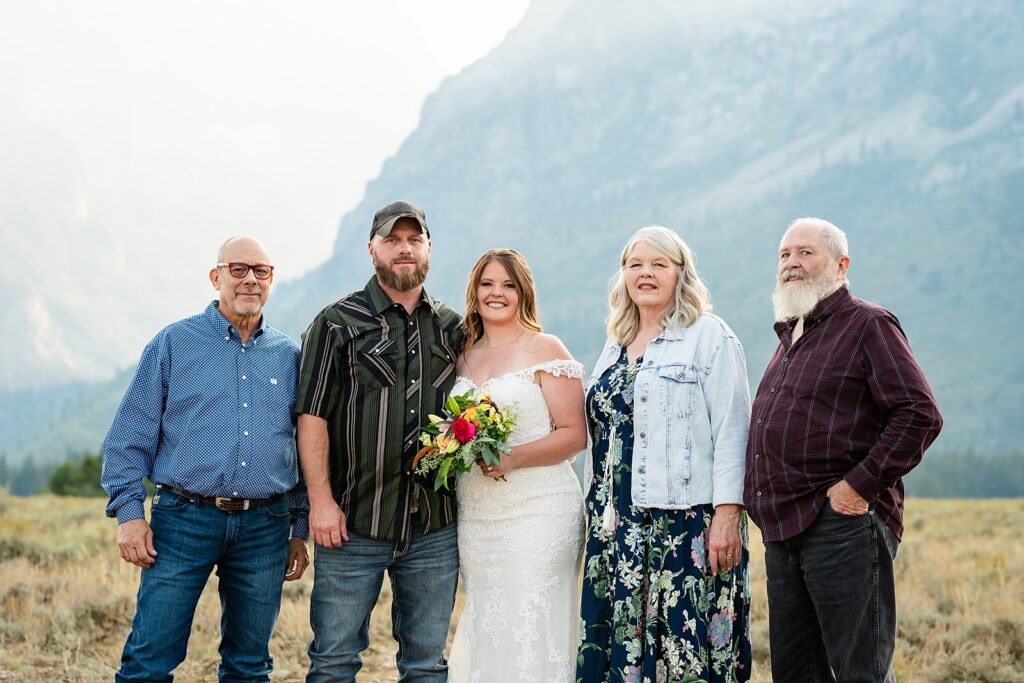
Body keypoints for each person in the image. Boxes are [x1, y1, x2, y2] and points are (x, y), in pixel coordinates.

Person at [101, 236, 309, 682]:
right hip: (183, 521)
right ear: (216, 277)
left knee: (250, 665)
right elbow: (128, 436)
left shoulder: (290, 356)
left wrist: (299, 528)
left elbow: (305, 448)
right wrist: (129, 514)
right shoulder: (174, 344)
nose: (250, 279)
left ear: (272, 280)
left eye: (261, 271)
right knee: (148, 659)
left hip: (265, 527)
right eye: (238, 269)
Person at [746, 217, 943, 682]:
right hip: (785, 529)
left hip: (842, 527)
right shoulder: (790, 336)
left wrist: (857, 489)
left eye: (806, 253)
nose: (792, 263)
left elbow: (918, 412)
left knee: (860, 673)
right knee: (796, 674)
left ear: (841, 264)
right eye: (785, 254)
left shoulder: (868, 325)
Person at [295, 200, 465, 682]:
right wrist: (320, 503)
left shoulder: (453, 328)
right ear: (372, 249)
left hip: (434, 525)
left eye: (414, 240)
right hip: (352, 523)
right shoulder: (336, 323)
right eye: (393, 240)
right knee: (333, 660)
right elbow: (311, 418)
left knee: (426, 664)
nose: (404, 249)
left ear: (429, 248)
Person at [577, 226, 752, 683]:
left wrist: (727, 515)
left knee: (680, 649)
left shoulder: (709, 336)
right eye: (635, 264)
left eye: (659, 264)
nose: (645, 273)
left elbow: (734, 431)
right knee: (620, 648)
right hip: (616, 528)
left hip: (682, 526)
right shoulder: (615, 343)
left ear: (680, 274)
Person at [446, 248, 587, 683]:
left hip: (539, 510)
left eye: (507, 285)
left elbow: (574, 435)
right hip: (478, 515)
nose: (496, 293)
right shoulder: (463, 354)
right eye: (487, 284)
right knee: (488, 616)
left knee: (531, 619)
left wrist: (513, 456)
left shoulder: (546, 349)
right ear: (475, 291)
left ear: (523, 292)